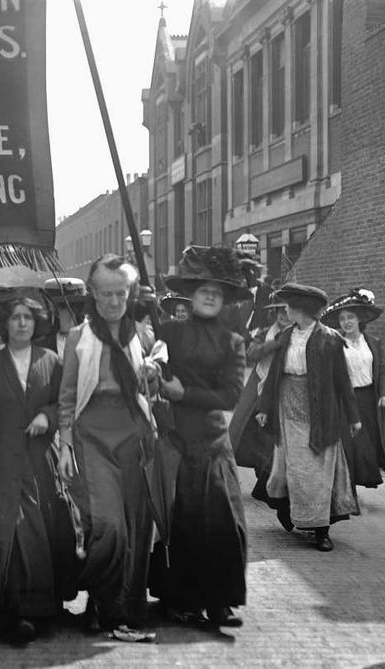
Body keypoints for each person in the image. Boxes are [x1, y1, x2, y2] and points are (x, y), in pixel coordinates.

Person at [58, 254, 165, 631]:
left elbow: (152, 392)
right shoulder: (78, 338)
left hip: (134, 438)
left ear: (130, 293)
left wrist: (153, 375)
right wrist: (66, 445)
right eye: (106, 294)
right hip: (93, 441)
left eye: (121, 293)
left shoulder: (144, 335)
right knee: (108, 525)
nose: (114, 302)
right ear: (93, 293)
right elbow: (68, 398)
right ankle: (99, 595)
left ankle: (115, 607)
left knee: (136, 527)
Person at [148, 245, 249, 627]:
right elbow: (152, 362)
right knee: (182, 521)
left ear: (223, 300)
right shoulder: (168, 332)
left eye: (217, 292)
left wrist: (183, 394)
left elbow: (230, 395)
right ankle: (180, 598)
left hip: (212, 441)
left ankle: (220, 600)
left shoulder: (232, 342)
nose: (209, 295)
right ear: (191, 295)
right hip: (174, 438)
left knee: (223, 522)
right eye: (204, 290)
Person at [0, 288, 70, 642]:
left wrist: (48, 418)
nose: (21, 323)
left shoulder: (51, 361)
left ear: (37, 323)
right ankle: (14, 611)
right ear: (5, 323)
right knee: (11, 533)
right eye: (15, 317)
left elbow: (63, 403)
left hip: (39, 461)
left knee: (44, 530)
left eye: (27, 318)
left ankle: (46, 606)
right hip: (4, 461)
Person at [256, 283, 361, 552]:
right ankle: (291, 510)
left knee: (318, 471)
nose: (286, 310)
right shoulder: (286, 336)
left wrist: (352, 416)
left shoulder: (330, 339)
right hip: (287, 409)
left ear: (299, 309)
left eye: (289, 306)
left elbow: (342, 381)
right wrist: (263, 408)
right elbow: (274, 377)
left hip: (321, 413)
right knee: (294, 466)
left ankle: (321, 530)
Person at [322, 289, 385, 490]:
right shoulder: (335, 344)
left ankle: (355, 483)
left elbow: (384, 369)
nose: (347, 322)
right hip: (344, 401)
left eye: (351, 317)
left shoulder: (372, 343)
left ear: (359, 319)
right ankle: (348, 490)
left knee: (367, 445)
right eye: (342, 318)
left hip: (369, 400)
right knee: (348, 445)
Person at [229, 302, 292, 501]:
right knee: (250, 427)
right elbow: (251, 353)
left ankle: (268, 477)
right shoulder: (266, 332)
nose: (283, 315)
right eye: (280, 312)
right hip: (259, 383)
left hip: (283, 387)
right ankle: (259, 468)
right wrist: (271, 345)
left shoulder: (297, 335)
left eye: (286, 311)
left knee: (274, 434)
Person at [41, 277, 88, 359]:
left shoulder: (99, 339)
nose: (51, 316)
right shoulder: (39, 345)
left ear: (74, 311)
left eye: (57, 311)